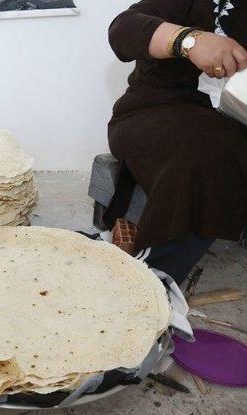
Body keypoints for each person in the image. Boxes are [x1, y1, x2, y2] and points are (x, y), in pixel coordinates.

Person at [105, 0, 247, 283]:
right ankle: (151, 281)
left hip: (232, 126)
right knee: (208, 149)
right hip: (152, 115)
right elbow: (123, 29)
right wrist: (190, 41)